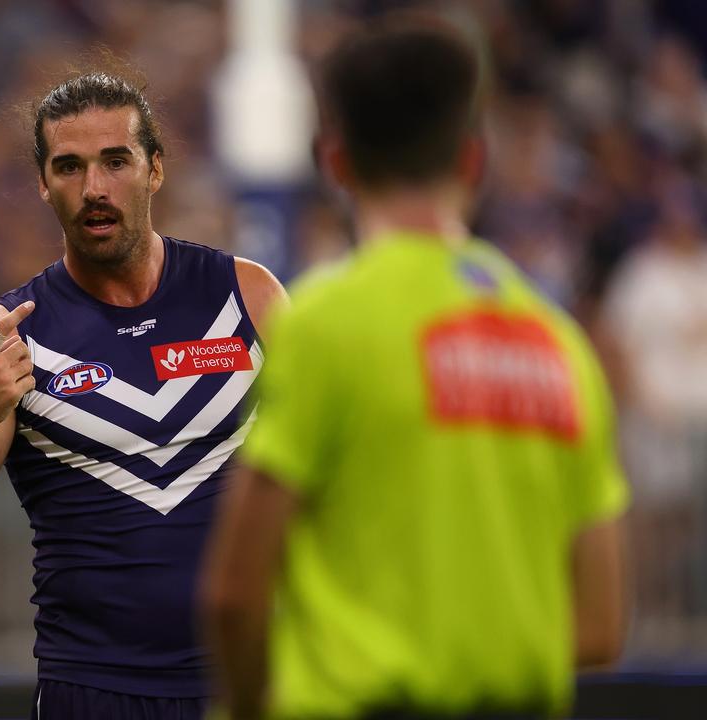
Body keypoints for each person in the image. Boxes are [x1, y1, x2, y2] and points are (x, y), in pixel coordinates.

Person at [200, 17, 628, 719]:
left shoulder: (323, 323)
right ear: (473, 160)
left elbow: (234, 594)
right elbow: (602, 626)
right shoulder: (560, 346)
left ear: (335, 160)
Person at [0, 72, 286, 718]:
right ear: (43, 183)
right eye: (70, 167)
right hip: (93, 692)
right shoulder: (9, 334)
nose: (95, 189)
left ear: (155, 169)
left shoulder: (250, 299)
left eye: (116, 161)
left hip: (249, 683)